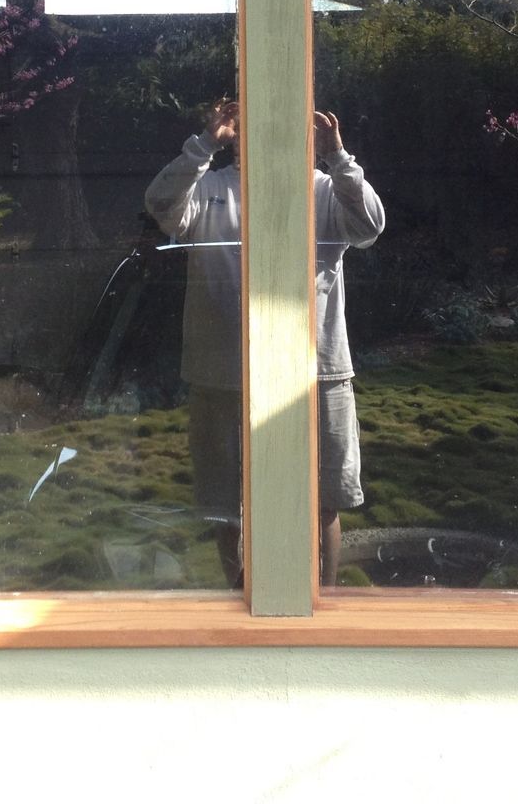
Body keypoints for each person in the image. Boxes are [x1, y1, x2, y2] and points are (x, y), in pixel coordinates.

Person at [143, 99, 385, 587]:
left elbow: (369, 226)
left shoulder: (322, 189)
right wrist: (204, 145)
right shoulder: (209, 187)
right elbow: (161, 206)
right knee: (227, 509)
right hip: (224, 373)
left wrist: (338, 158)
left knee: (321, 502)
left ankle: (325, 602)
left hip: (314, 371)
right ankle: (241, 607)